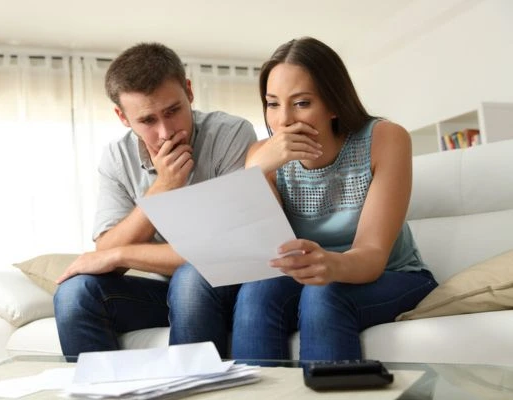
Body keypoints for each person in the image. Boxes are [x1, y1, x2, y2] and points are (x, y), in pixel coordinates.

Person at [168, 37, 438, 361]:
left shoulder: (385, 139)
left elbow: (373, 256)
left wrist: (331, 264)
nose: (283, 121)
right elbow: (261, 252)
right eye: (272, 103)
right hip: (306, 277)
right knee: (257, 292)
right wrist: (255, 172)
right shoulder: (261, 157)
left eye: (302, 103)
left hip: (389, 275)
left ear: (334, 103)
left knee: (323, 294)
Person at [53, 42, 257, 356]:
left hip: (229, 287)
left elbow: (222, 251)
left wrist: (121, 255)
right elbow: (105, 252)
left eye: (173, 111)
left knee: (191, 278)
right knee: (74, 294)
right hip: (167, 291)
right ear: (122, 117)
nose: (165, 132)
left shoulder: (230, 135)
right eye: (147, 121)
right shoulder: (117, 158)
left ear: (189, 91)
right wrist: (163, 186)